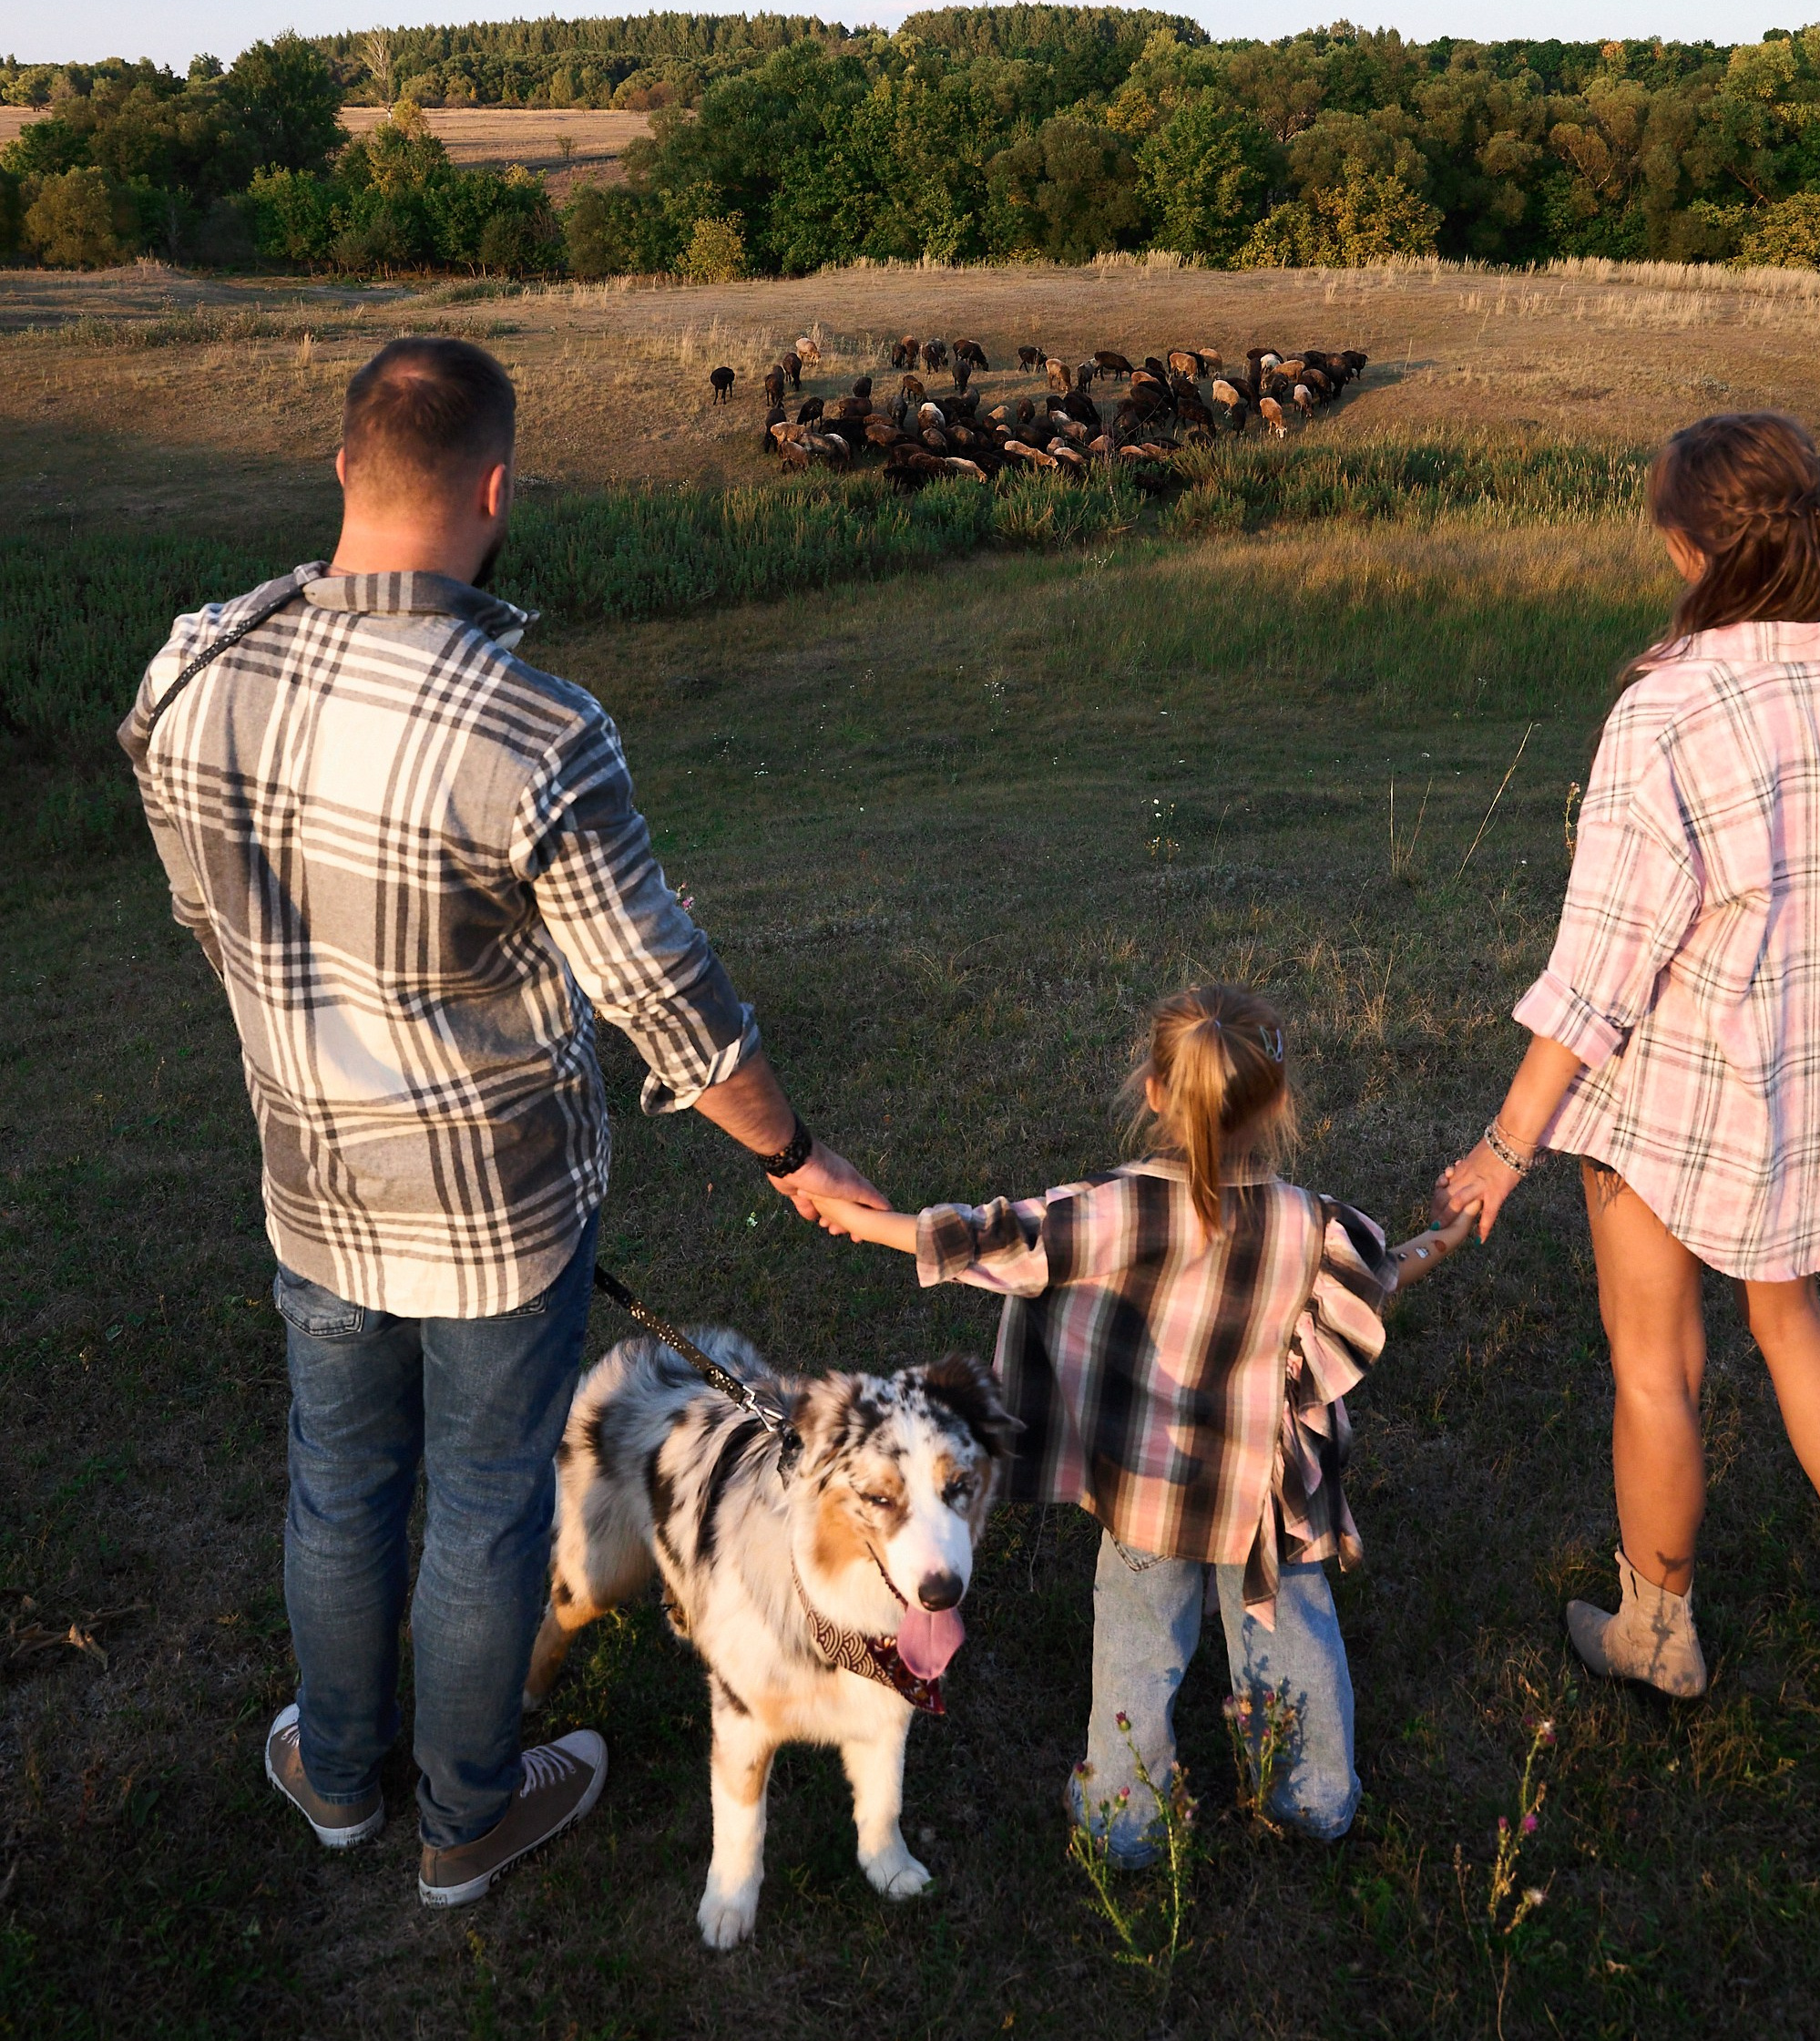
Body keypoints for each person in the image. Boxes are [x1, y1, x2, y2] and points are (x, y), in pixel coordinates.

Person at [116, 337, 884, 1906]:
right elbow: (665, 997)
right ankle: (465, 1814)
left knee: (339, 1479)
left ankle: (337, 1779)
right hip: (497, 1216)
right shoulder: (533, 731)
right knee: (478, 1505)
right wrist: (796, 1157)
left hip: (309, 1180)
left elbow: (208, 912)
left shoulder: (190, 665)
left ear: (343, 468)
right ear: (496, 489)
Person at [1443, 412, 1820, 1702]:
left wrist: (1506, 1145)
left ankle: (1659, 1637)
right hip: (1813, 1073)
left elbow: (1602, 964)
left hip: (1672, 1091)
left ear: (1692, 545)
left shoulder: (1671, 710)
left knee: (1656, 1366)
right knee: (1791, 1315)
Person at [815, 985, 1472, 1862]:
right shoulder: (1314, 1227)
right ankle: (1311, 1796)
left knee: (1135, 1648)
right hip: (1266, 1500)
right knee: (1291, 1632)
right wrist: (1449, 1235)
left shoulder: (1108, 1211)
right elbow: (1383, 1275)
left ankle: (1125, 1822)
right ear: (1277, 1102)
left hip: (1143, 1495)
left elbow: (991, 1239)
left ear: (1156, 1092)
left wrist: (864, 1220)